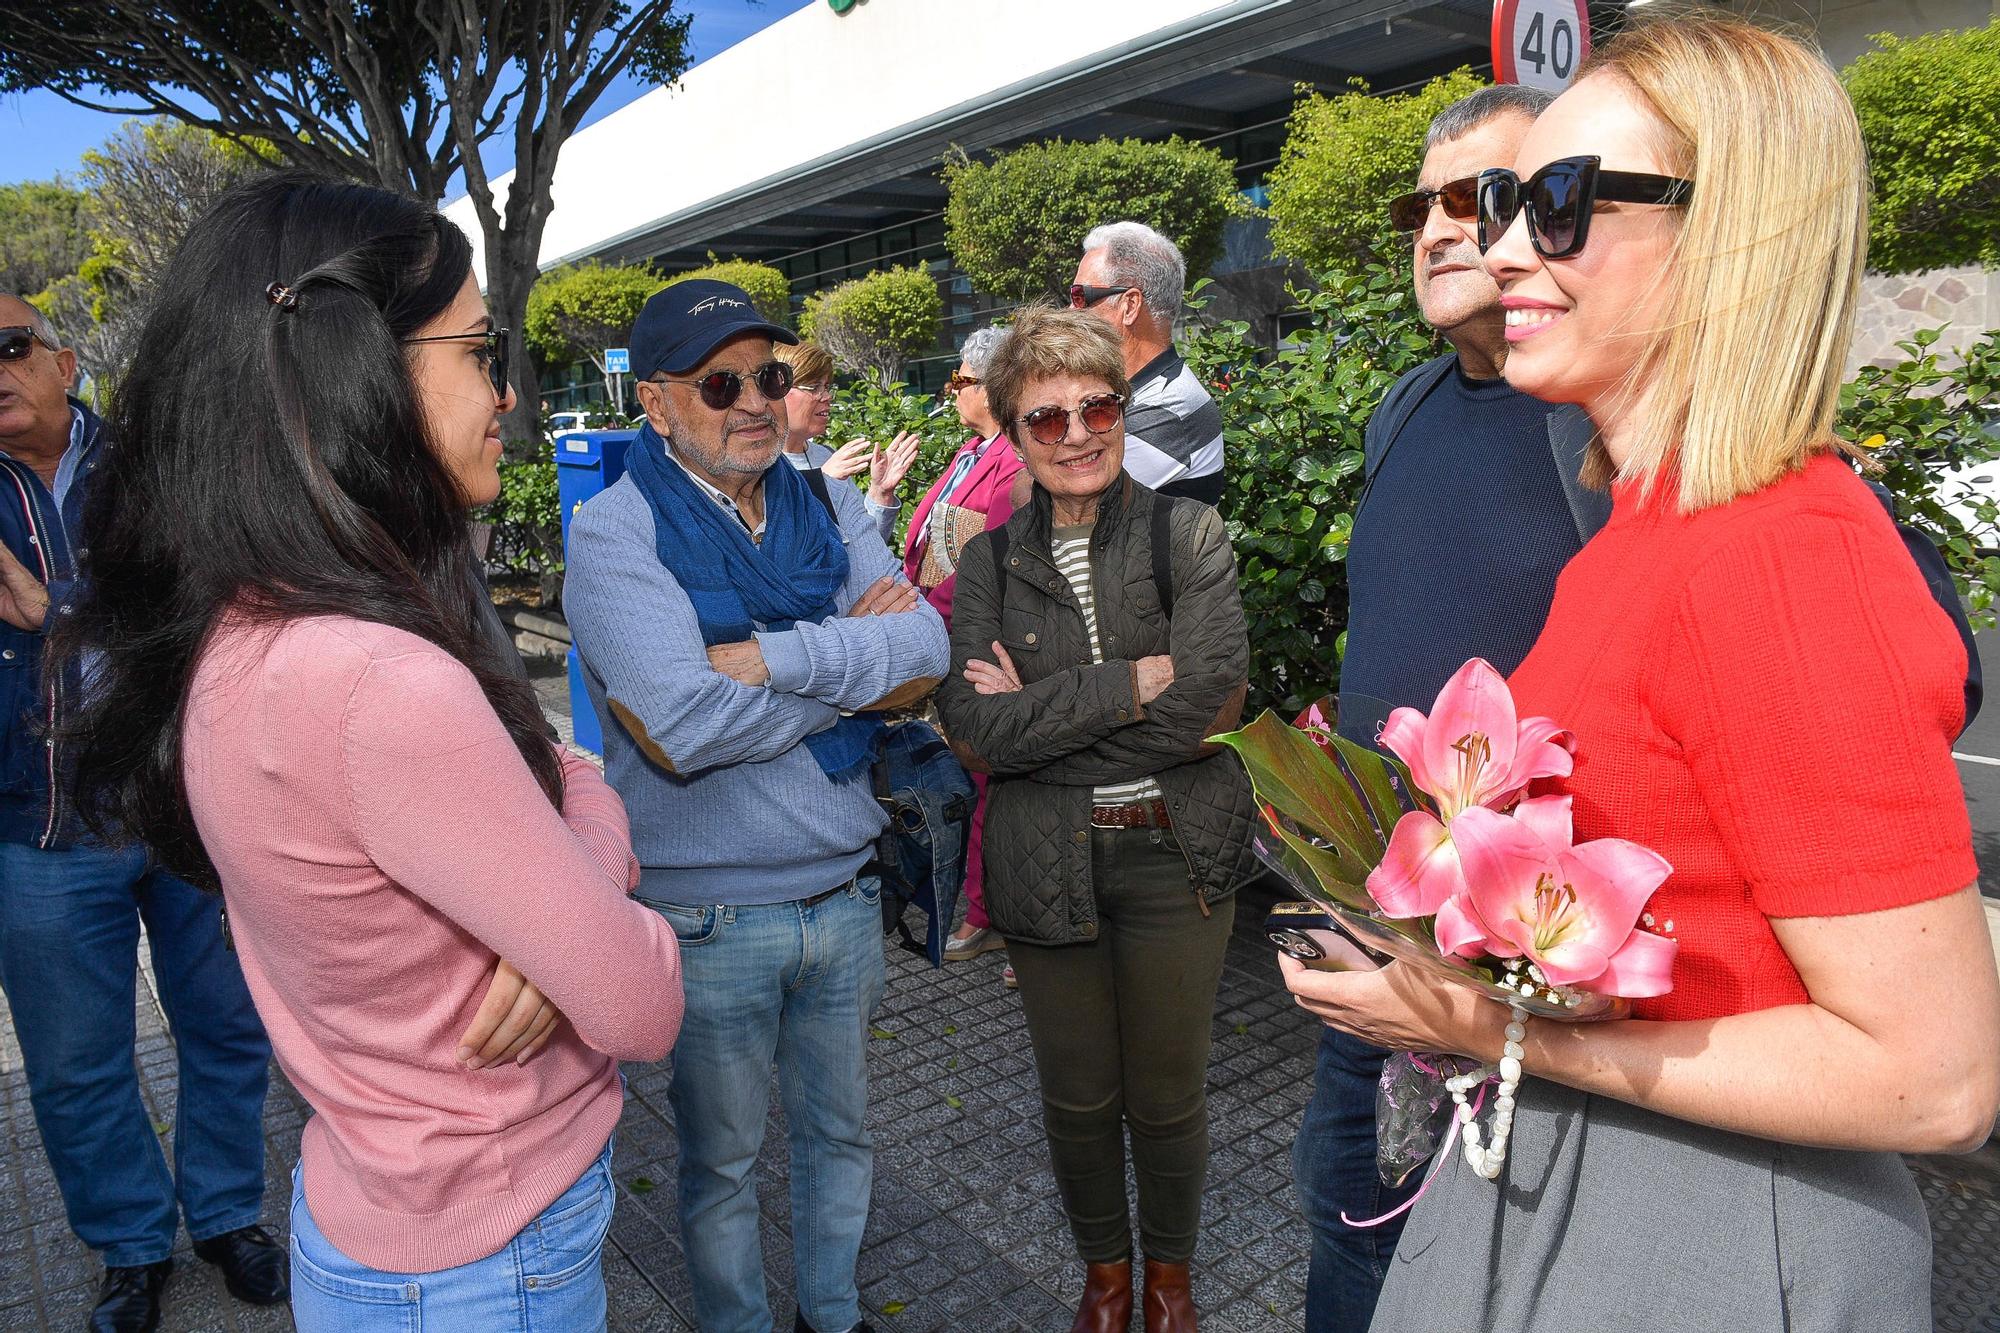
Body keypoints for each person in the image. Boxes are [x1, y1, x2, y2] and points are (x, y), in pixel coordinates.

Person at [1283, 18, 2000, 1330]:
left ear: (1735, 236)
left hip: (1703, 1231)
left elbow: (1932, 1078)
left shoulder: (1778, 554)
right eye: (1500, 202)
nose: (1502, 246)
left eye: (1555, 204)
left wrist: (1477, 1019)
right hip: (1595, 1177)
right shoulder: (1650, 528)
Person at [47, 173, 685, 1332]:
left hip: (383, 1218)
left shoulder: (245, 630)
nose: (504, 393)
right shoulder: (379, 684)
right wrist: (586, 812)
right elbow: (638, 998)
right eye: (479, 350)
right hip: (492, 1256)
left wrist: (553, 894)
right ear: (361, 370)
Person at [563, 279, 950, 1333]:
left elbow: (926, 653)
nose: (753, 401)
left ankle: (834, 1314)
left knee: (841, 1135)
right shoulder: (614, 531)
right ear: (654, 401)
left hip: (841, 890)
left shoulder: (823, 499)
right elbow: (674, 729)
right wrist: (851, 669)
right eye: (719, 380)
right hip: (707, 916)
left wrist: (763, 659)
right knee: (721, 1163)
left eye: (769, 377)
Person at [1287, 83, 1580, 1330]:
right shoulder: (1401, 408)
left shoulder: (1608, 417)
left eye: (1487, 196)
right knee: (1344, 1224)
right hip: (1377, 931)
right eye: (1426, 203)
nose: (1440, 228)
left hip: (1540, 976)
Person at [936, 304, 1260, 1333]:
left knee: (1165, 1096)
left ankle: (1168, 1280)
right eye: (1044, 418)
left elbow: (1211, 710)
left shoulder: (1186, 531)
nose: (1076, 432)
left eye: (1097, 406)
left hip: (1176, 856)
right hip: (1044, 867)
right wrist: (1128, 682)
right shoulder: (985, 561)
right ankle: (1105, 1279)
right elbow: (975, 734)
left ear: (1120, 411)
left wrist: (1044, 718)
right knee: (1077, 1100)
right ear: (1010, 432)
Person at [0, 297, 286, 1333]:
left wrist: (55, 608)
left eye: (11, 344)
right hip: (33, 826)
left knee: (225, 1025)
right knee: (76, 1064)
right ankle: (129, 1245)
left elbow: (220, 599)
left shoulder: (155, 463)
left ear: (64, 359)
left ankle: (224, 1216)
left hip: (183, 803)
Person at [902, 326, 1029, 971]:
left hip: (980, 640)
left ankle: (991, 913)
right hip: (941, 633)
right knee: (969, 778)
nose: (951, 393)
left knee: (988, 780)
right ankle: (985, 907)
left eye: (960, 381)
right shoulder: (969, 454)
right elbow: (927, 541)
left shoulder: (1016, 459)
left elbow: (996, 561)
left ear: (993, 385)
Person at [1070, 222, 1224, 505]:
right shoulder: (1137, 391)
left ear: (1129, 306)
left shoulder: (1168, 406)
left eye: (1080, 296)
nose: (1070, 310)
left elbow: (1067, 505)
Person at [773, 337, 918, 547]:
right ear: (777, 391)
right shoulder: (759, 470)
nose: (827, 396)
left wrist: (881, 492)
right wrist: (821, 482)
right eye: (814, 387)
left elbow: (865, 546)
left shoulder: (826, 456)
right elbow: (784, 554)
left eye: (826, 386)